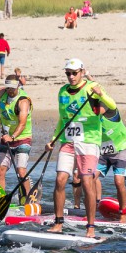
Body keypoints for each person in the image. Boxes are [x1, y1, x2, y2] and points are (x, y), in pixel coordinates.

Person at [46, 59, 116, 239]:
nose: (71, 76)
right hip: (68, 141)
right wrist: (53, 139)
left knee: (86, 182)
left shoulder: (92, 87)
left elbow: (112, 106)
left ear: (82, 72)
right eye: (68, 73)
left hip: (89, 141)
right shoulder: (62, 91)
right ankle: (58, 223)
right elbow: (63, 119)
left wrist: (101, 94)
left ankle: (90, 227)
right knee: (60, 180)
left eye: (74, 73)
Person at [0, 75, 34, 200]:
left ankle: (28, 199)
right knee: (0, 171)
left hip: (22, 139)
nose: (10, 90)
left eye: (12, 88)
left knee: (21, 171)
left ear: (18, 85)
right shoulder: (3, 93)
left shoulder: (23, 101)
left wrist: (12, 137)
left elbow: (22, 124)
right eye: (8, 87)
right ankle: (0, 199)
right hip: (6, 138)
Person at [97, 106, 126, 222]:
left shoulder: (111, 111)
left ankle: (123, 214)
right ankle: (92, 210)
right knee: (90, 178)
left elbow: (105, 105)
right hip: (103, 150)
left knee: (118, 181)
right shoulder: (90, 115)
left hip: (121, 148)